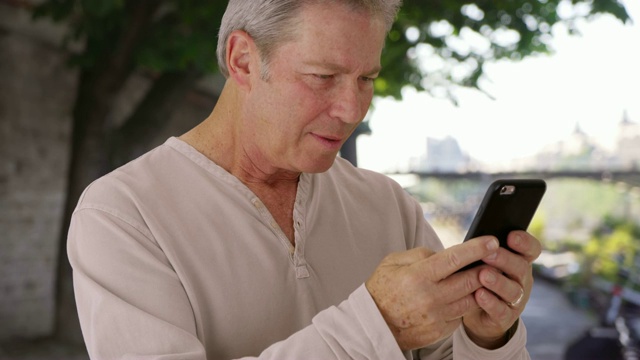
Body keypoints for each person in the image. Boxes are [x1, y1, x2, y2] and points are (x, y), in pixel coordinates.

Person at [67, 0, 541, 358]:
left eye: (366, 79)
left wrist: (486, 336)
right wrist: (378, 326)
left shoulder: (388, 203)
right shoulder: (121, 216)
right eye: (322, 76)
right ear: (243, 61)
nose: (352, 110)